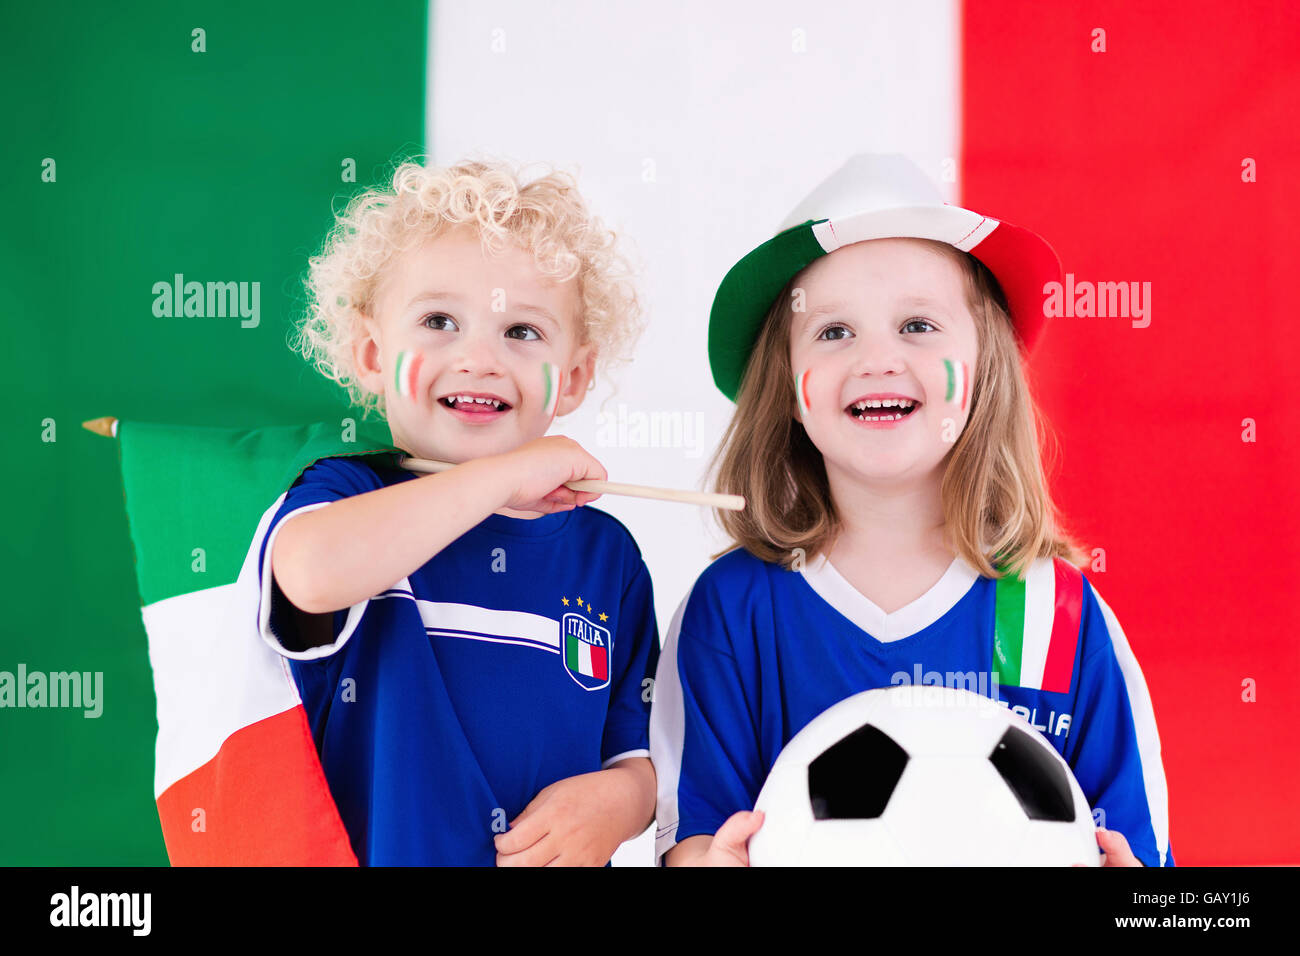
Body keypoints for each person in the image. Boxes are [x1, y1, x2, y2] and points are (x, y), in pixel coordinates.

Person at [650, 154, 1174, 867]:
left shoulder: (1057, 615)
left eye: (918, 326)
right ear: (787, 390)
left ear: (985, 373)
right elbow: (690, 840)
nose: (877, 359)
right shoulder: (734, 612)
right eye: (834, 332)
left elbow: (1145, 867)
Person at [253, 157, 659, 865]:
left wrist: (619, 803)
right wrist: (503, 477)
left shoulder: (607, 556)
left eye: (522, 332)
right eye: (440, 321)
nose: (479, 358)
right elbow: (310, 574)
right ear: (372, 353)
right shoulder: (347, 495)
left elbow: (639, 751)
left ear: (577, 377)